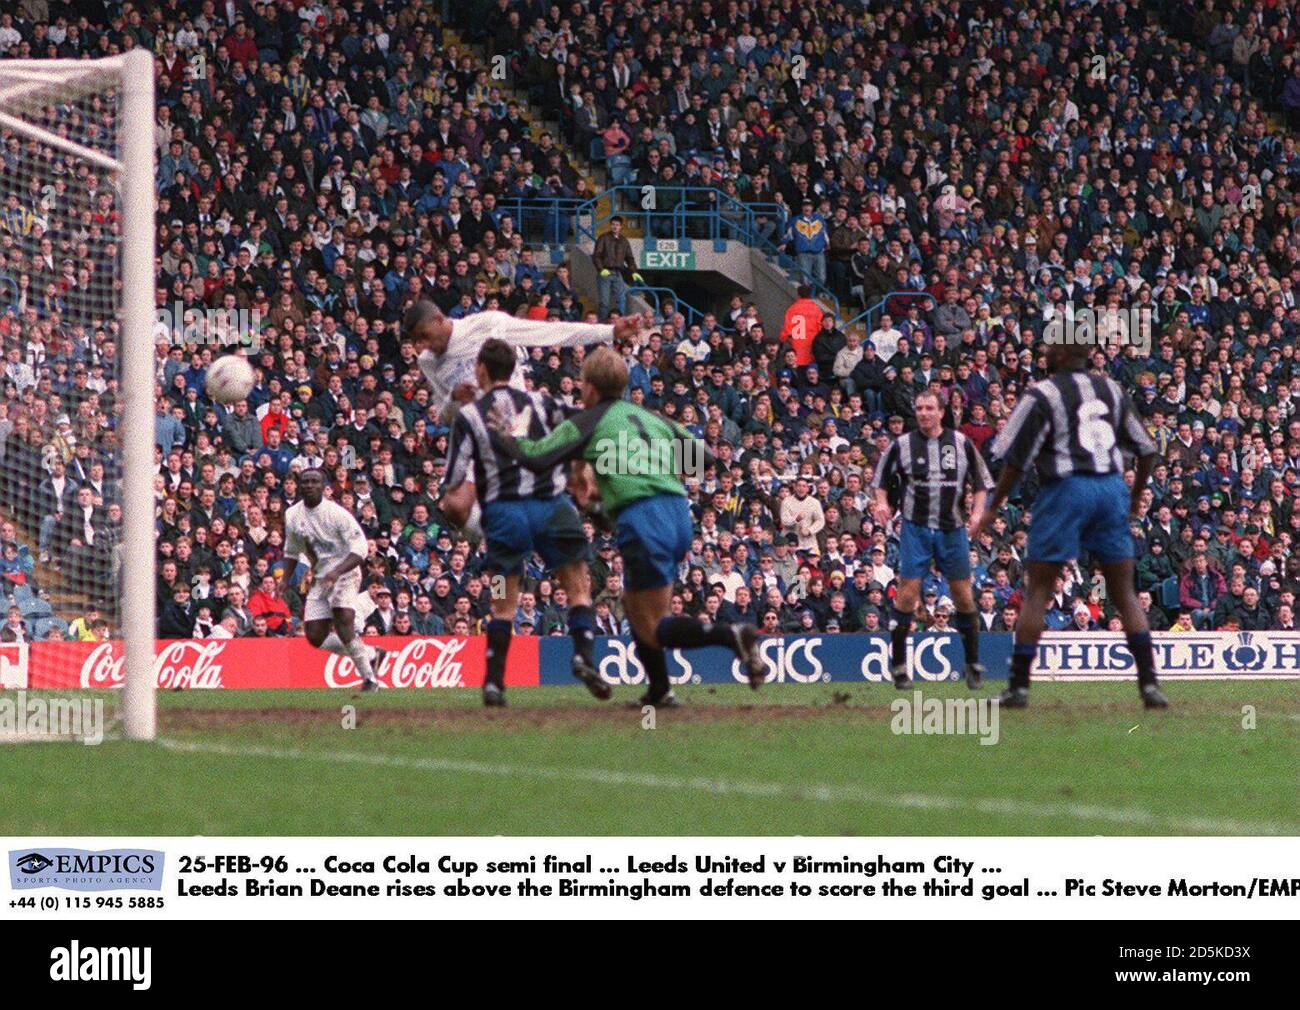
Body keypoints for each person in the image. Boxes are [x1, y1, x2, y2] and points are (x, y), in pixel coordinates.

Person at [488, 346, 764, 707]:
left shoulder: (589, 420)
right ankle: (659, 691)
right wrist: (647, 466)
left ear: (589, 387)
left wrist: (502, 436)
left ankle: (732, 637)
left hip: (641, 517)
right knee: (636, 607)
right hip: (678, 513)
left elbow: (536, 457)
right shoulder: (651, 418)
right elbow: (705, 459)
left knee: (653, 622)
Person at [973, 343, 1167, 709]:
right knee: (1124, 592)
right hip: (1111, 489)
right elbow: (1146, 448)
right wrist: (1136, 494)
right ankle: (1149, 685)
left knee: (1038, 592)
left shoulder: (1043, 393)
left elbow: (1012, 458)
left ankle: (1018, 687)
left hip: (1065, 490)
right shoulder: (1111, 388)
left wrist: (992, 508)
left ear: (1060, 358)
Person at [441, 338, 607, 707]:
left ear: (480, 370)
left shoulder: (470, 416)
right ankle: (582, 654)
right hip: (553, 507)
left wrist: (456, 507)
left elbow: (453, 481)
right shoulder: (541, 402)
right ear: (513, 370)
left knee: (503, 600)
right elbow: (585, 421)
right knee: (578, 587)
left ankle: (495, 680)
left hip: (505, 515)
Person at [872, 388, 995, 688]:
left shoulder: (961, 443)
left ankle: (972, 664)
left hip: (952, 529)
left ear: (942, 412)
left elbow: (981, 483)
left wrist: (978, 513)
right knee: (907, 594)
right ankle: (899, 666)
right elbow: (880, 482)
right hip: (916, 527)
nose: (924, 413)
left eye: (929, 408)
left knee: (964, 596)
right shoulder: (901, 445)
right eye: (919, 408)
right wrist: (881, 503)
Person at [402, 299, 642, 425]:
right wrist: (454, 399)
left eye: (423, 336)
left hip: (521, 429)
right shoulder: (427, 361)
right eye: (415, 341)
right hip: (482, 445)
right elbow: (445, 415)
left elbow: (553, 332)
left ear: (439, 320)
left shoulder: (486, 325)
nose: (421, 346)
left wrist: (610, 331)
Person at [281, 468, 384, 693]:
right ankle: (370, 654)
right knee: (314, 637)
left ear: (323, 487)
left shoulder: (337, 514)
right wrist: (285, 579)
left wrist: (337, 572)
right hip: (320, 578)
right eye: (305, 481)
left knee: (343, 616)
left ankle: (370, 679)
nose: (309, 485)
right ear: (299, 486)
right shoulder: (292, 514)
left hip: (345, 572)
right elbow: (291, 549)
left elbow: (361, 548)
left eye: (314, 482)